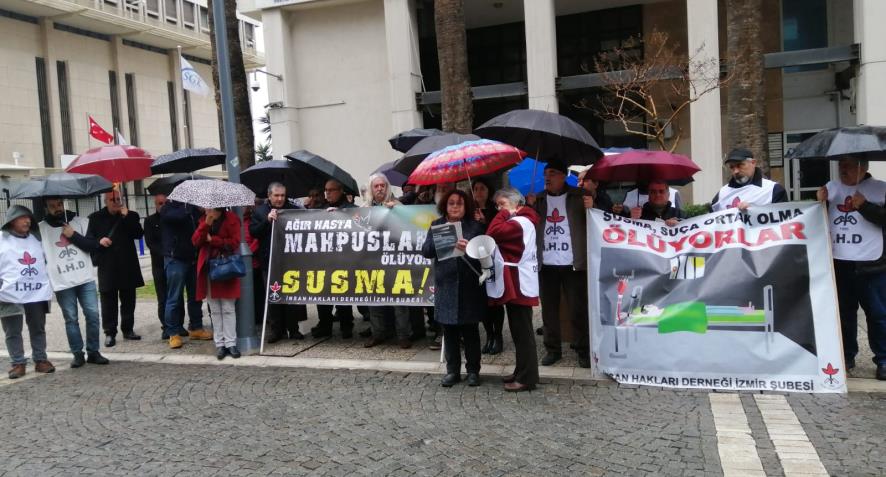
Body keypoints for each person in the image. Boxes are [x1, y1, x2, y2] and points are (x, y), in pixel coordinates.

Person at [818, 157, 886, 380]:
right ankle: (845, 357)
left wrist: (865, 206)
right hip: (840, 263)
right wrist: (820, 203)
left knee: (878, 314)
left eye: (848, 166)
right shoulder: (831, 188)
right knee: (844, 315)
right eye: (841, 166)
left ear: (862, 167)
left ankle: (883, 359)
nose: (843, 170)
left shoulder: (880, 189)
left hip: (872, 264)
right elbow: (816, 219)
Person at [526, 163, 592, 369]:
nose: (547, 177)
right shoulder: (538, 199)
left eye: (553, 173)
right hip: (546, 263)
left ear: (563, 176)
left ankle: (583, 350)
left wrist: (592, 207)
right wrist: (529, 207)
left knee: (578, 309)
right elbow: (527, 224)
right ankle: (552, 349)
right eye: (546, 174)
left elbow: (596, 222)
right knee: (549, 310)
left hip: (574, 263)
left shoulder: (580, 196)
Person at [421, 189, 487, 387]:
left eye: (459, 203)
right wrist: (445, 242)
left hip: (469, 285)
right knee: (449, 332)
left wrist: (469, 249)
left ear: (466, 206)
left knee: (471, 331)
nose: (455, 206)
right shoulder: (437, 225)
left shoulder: (475, 226)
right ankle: (452, 371)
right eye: (451, 203)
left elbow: (484, 254)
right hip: (446, 284)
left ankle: (473, 371)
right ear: (445, 206)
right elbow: (426, 251)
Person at [39, 198, 109, 368]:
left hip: (84, 278)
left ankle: (93, 351)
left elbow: (92, 245)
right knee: (71, 318)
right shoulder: (41, 228)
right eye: (52, 206)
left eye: (59, 204)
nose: (57, 208)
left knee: (93, 314)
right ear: (46, 208)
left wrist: (73, 235)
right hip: (62, 281)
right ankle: (77, 354)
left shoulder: (80, 222)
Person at [487, 188, 540, 392]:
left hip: (519, 283)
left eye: (502, 204)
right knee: (518, 332)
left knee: (523, 333)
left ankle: (527, 377)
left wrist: (503, 213)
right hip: (516, 281)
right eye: (497, 206)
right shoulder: (519, 220)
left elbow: (493, 233)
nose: (499, 208)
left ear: (516, 204)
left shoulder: (520, 222)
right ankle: (521, 371)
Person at [0, 205, 54, 379]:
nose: (27, 221)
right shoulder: (1, 239)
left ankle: (40, 360)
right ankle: (18, 363)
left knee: (38, 327)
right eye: (22, 217)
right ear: (11, 221)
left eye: (28, 217)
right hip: (9, 293)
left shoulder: (37, 238)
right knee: (12, 330)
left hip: (35, 292)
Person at [250, 182, 307, 343]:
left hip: (290, 261)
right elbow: (253, 232)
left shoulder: (293, 209)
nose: (280, 199)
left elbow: (307, 223)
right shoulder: (260, 211)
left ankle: (293, 329)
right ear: (269, 196)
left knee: (291, 295)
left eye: (282, 195)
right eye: (276, 195)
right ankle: (276, 330)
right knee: (273, 296)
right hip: (269, 260)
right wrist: (267, 221)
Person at [87, 190, 144, 347]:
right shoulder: (95, 218)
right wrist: (99, 241)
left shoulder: (131, 215)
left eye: (118, 199)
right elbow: (89, 240)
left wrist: (127, 217)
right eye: (112, 199)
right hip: (108, 265)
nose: (116, 202)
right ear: (105, 201)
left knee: (129, 300)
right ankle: (110, 333)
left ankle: (128, 329)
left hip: (127, 264)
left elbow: (139, 234)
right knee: (108, 301)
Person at [363, 173, 412, 348]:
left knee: (399, 300)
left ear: (387, 187)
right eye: (376, 186)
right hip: (373, 261)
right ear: (371, 189)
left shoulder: (397, 204)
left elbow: (409, 223)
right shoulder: (365, 208)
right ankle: (378, 333)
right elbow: (351, 221)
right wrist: (335, 213)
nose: (379, 189)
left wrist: (398, 211)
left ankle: (403, 335)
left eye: (382, 185)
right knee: (374, 299)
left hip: (394, 260)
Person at [160, 198, 212, 348]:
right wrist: (189, 206)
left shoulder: (193, 210)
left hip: (192, 257)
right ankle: (172, 332)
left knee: (195, 296)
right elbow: (178, 217)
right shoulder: (168, 208)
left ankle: (196, 327)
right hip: (175, 259)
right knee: (174, 298)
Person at [192, 207, 242, 360]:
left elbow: (235, 243)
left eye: (209, 207)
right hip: (209, 268)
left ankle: (231, 343)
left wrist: (213, 240)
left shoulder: (232, 219)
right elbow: (195, 241)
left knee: (228, 308)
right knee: (214, 309)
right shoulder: (203, 219)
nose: (206, 209)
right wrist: (206, 224)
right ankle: (220, 344)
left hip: (226, 267)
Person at [313, 179, 357, 339]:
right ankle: (325, 325)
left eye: (331, 190)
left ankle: (346, 325)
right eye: (326, 190)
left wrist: (341, 215)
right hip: (324, 259)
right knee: (323, 293)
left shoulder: (350, 208)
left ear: (340, 191)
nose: (328, 193)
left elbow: (361, 223)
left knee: (342, 292)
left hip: (344, 258)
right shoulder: (320, 209)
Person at [471, 177, 503, 355]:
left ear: (489, 191)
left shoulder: (495, 210)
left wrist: (485, 223)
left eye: (482, 188)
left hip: (493, 259)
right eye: (476, 189)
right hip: (476, 260)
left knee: (495, 300)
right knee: (482, 300)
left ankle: (498, 336)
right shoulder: (469, 211)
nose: (478, 192)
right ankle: (489, 335)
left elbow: (498, 233)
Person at [144, 194, 182, 339]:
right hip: (159, 263)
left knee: (177, 296)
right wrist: (166, 253)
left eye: (165, 203)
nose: (163, 206)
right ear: (155, 205)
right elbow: (150, 243)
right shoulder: (150, 221)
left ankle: (178, 325)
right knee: (163, 297)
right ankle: (166, 326)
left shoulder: (174, 219)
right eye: (160, 203)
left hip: (174, 262)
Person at [711, 148, 787, 211]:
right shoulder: (722, 194)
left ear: (753, 163)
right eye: (732, 167)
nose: (735, 171)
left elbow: (784, 219)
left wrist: (754, 211)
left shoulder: (773, 190)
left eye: (740, 165)